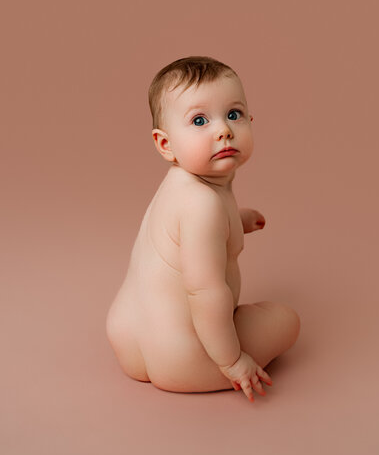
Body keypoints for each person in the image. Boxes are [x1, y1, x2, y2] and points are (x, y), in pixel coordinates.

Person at [106, 56, 300, 402]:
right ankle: (218, 360)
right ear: (166, 144)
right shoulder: (203, 206)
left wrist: (236, 221)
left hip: (127, 334)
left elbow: (181, 239)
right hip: (183, 357)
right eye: (199, 120)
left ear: (251, 122)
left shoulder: (181, 187)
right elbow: (205, 294)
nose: (223, 129)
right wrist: (233, 361)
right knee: (285, 321)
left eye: (234, 115)